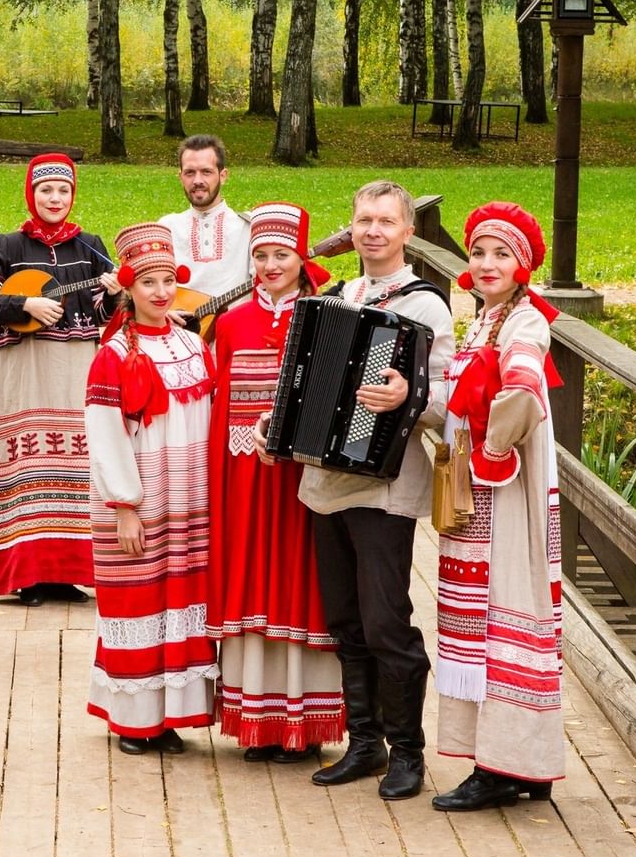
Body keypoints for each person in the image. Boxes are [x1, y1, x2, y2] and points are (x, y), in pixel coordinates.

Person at [296, 180, 454, 800]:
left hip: (385, 484)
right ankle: (364, 744)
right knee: (345, 620)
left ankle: (407, 751)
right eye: (364, 220)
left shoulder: (426, 307)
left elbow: (448, 400)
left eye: (387, 221)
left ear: (408, 231)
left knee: (388, 620)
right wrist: (280, 422)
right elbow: (308, 377)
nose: (373, 231)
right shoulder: (339, 296)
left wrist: (407, 398)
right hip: (326, 482)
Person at [431, 203, 566, 811]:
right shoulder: (489, 318)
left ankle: (502, 764)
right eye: (479, 252)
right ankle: (524, 762)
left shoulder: (524, 324)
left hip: (503, 489)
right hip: (487, 484)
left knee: (503, 603)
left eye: (501, 254)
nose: (487, 264)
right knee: (493, 608)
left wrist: (491, 449)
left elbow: (522, 386)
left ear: (525, 263)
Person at [210, 204, 344, 761]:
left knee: (301, 578)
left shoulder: (325, 313)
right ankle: (256, 721)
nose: (269, 265)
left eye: (281, 255)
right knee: (252, 578)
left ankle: (303, 723)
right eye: (260, 255)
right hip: (245, 477)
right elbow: (218, 408)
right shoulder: (232, 321)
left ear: (301, 256)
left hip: (302, 480)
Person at [85, 223, 219, 755]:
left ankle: (170, 714)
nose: (161, 292)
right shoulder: (114, 354)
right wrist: (124, 506)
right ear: (129, 288)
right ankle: (134, 718)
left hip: (189, 500)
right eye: (149, 283)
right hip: (142, 499)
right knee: (139, 598)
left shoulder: (194, 345)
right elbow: (105, 435)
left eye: (168, 281)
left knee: (182, 595)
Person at [0, 153, 116, 606]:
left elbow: (104, 315)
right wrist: (24, 307)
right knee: (28, 465)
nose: (55, 198)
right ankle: (28, 573)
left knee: (76, 467)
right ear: (31, 194)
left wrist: (115, 294)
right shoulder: (7, 245)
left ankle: (65, 573)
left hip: (77, 368)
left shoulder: (89, 246)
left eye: (63, 190)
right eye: (46, 190)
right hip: (27, 368)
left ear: (74, 195)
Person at [159, 134, 252, 301]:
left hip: (234, 325)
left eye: (206, 172)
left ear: (223, 176)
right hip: (180, 324)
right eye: (189, 173)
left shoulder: (248, 227)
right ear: (180, 177)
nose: (197, 180)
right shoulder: (166, 228)